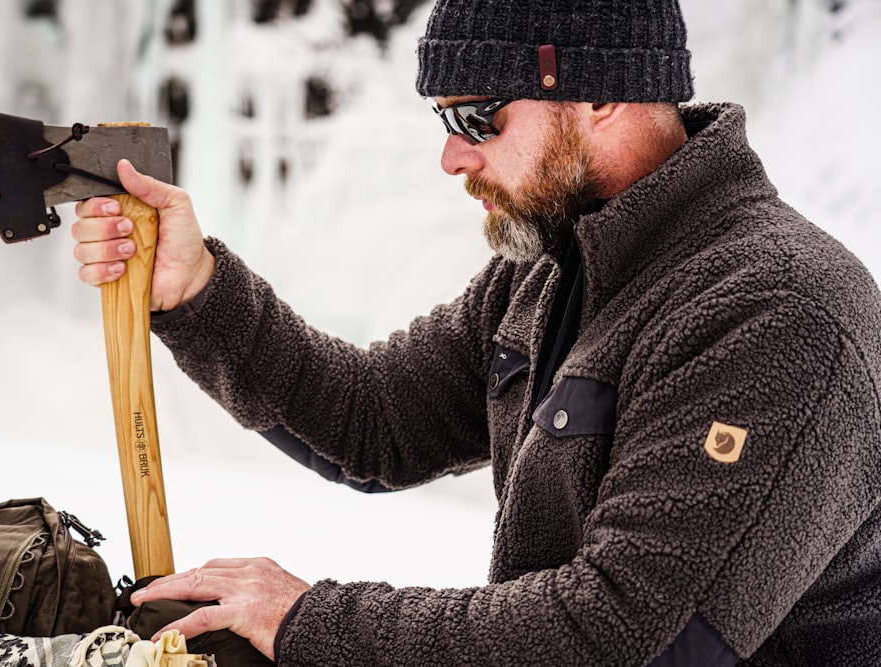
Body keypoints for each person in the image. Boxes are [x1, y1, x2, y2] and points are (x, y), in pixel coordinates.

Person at [72, 0, 881, 664]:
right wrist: (197, 290)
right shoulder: (555, 266)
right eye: (443, 118)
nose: (453, 157)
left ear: (601, 93)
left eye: (478, 116)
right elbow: (376, 414)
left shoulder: (778, 314)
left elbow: (627, 637)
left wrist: (311, 621)